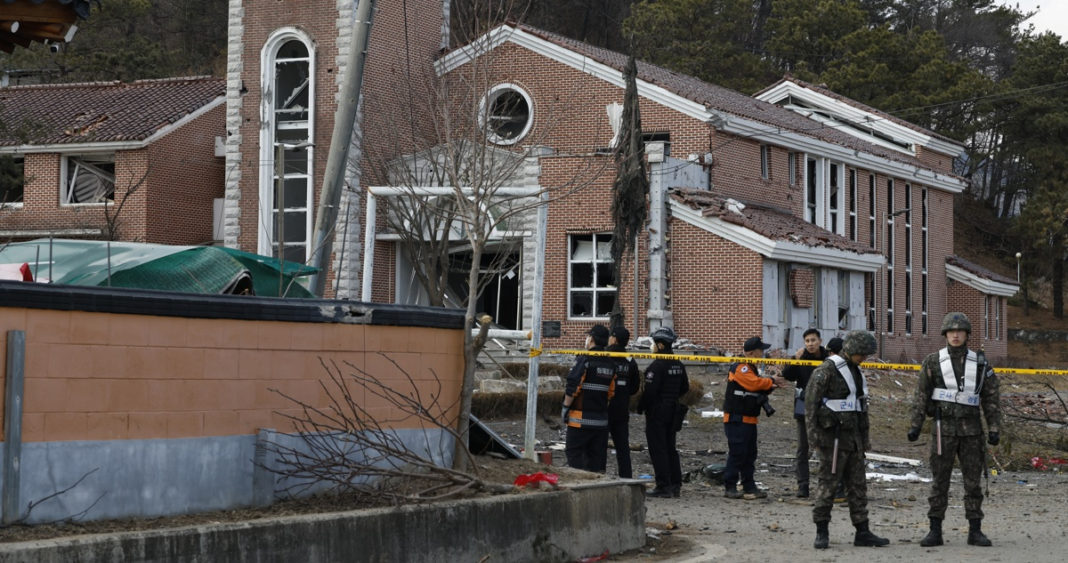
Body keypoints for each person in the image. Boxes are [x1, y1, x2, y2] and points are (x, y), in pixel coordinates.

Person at [907, 312, 1001, 547]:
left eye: (959, 331)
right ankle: (935, 529)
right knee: (940, 482)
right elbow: (921, 395)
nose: (955, 335)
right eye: (951, 331)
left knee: (973, 483)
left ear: (967, 334)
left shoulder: (979, 362)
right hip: (943, 430)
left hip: (972, 432)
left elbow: (991, 397)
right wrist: (915, 426)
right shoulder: (932, 361)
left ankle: (975, 530)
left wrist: (994, 427)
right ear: (945, 334)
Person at [806, 330, 889, 549]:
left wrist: (864, 438)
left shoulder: (856, 372)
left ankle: (862, 531)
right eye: (862, 354)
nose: (864, 358)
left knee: (858, 486)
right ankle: (822, 531)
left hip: (853, 439)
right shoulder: (827, 371)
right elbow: (811, 406)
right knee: (828, 485)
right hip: (831, 439)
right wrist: (813, 437)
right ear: (852, 350)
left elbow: (861, 407)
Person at [722, 336, 786, 500]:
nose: (762, 353)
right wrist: (771, 380)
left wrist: (770, 386)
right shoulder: (741, 367)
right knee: (737, 453)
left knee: (749, 455)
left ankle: (749, 486)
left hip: (749, 419)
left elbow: (755, 388)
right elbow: (753, 384)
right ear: (751, 352)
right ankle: (730, 486)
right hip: (737, 419)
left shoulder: (750, 367)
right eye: (760, 350)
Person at [637, 326, 689, 498]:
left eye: (653, 344)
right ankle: (675, 484)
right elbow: (685, 388)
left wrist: (641, 406)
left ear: (660, 345)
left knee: (658, 449)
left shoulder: (657, 365)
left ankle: (663, 485)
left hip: (657, 412)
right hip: (673, 411)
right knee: (670, 448)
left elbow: (650, 392)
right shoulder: (679, 365)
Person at [562, 324, 617, 472]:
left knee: (574, 456)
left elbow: (573, 386)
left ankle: (579, 486)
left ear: (591, 339)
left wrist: (565, 408)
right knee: (596, 462)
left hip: (579, 421)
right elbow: (611, 393)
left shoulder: (585, 360)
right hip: (600, 422)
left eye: (588, 337)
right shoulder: (610, 363)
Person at [782, 328, 830, 498]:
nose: (810, 344)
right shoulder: (801, 358)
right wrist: (794, 359)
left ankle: (826, 485)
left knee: (826, 448)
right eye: (807, 341)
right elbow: (787, 375)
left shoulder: (828, 359)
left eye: (813, 340)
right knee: (803, 449)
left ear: (820, 341)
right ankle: (803, 486)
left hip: (825, 410)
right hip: (803, 408)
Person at [607, 326, 640, 478]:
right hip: (622, 409)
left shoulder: (604, 356)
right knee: (622, 446)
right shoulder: (630, 360)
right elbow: (634, 388)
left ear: (614, 339)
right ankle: (626, 477)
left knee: (599, 445)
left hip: (604, 408)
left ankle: (599, 474)